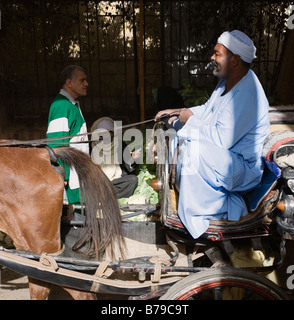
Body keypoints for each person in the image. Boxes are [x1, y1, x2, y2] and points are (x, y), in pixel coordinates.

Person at [155, 30, 270, 239]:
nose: (212, 58)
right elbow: (207, 109)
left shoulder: (248, 93)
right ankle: (195, 198)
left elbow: (220, 140)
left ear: (234, 60)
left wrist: (188, 120)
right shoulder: (227, 82)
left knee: (192, 149)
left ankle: (224, 205)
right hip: (224, 159)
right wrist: (176, 113)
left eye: (217, 54)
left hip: (241, 168)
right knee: (175, 134)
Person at [46, 65, 89, 207]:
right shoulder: (61, 106)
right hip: (71, 179)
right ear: (69, 83)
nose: (86, 84)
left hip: (78, 175)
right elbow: (56, 144)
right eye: (82, 80)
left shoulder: (72, 104)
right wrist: (62, 174)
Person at [90, 117, 139, 199]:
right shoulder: (89, 147)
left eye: (109, 133)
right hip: (98, 182)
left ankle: (109, 198)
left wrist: (133, 159)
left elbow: (129, 167)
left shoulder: (119, 144)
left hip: (115, 182)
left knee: (132, 180)